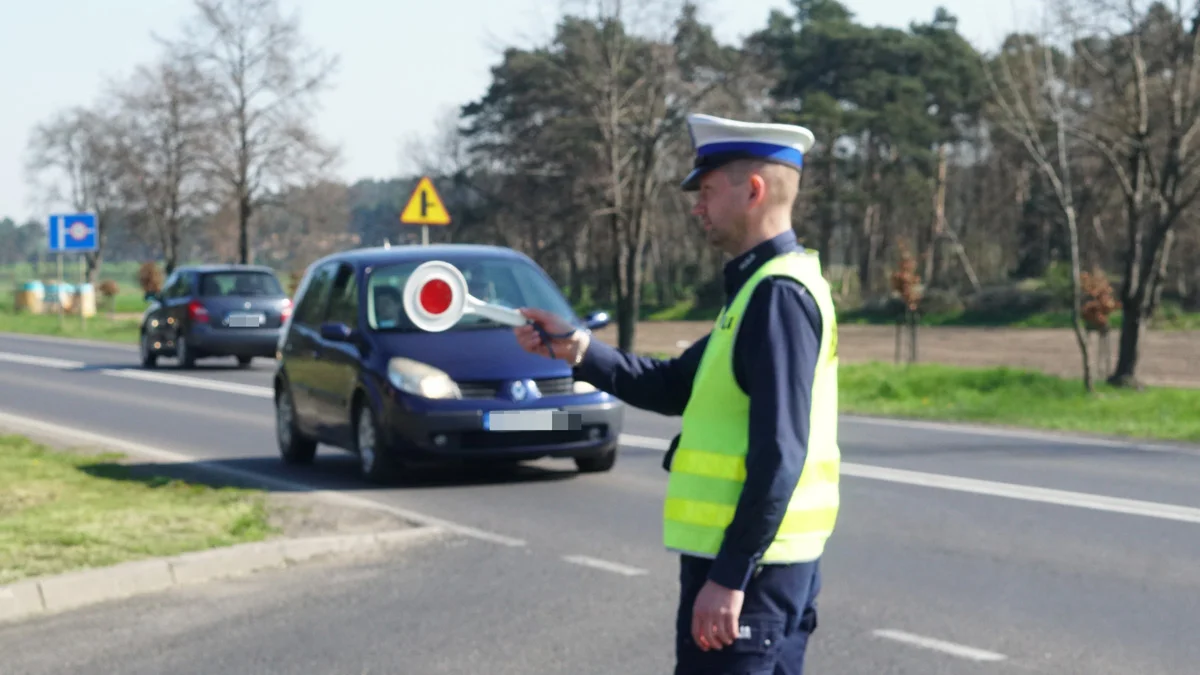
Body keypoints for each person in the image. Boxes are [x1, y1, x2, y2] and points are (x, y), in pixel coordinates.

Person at [513, 113, 841, 674]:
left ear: (754, 191)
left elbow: (780, 454)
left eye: (708, 191)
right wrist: (577, 350)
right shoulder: (759, 290)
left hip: (753, 576)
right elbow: (671, 386)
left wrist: (730, 575)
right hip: (764, 568)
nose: (697, 206)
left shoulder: (777, 296)